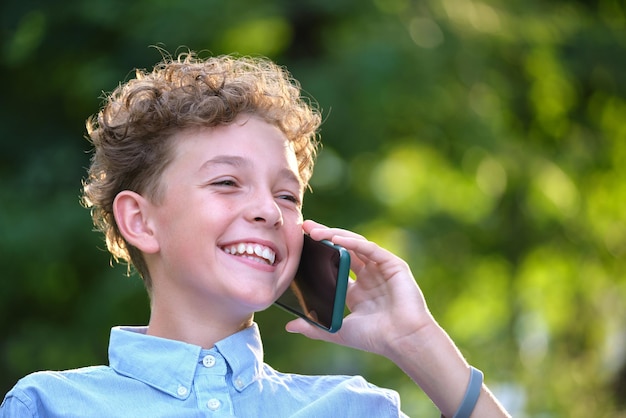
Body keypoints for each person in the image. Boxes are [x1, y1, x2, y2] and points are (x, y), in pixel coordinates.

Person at [0, 51, 510, 417]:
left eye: (287, 196)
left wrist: (417, 342)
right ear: (140, 220)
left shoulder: (354, 408)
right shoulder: (50, 405)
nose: (269, 210)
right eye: (227, 182)